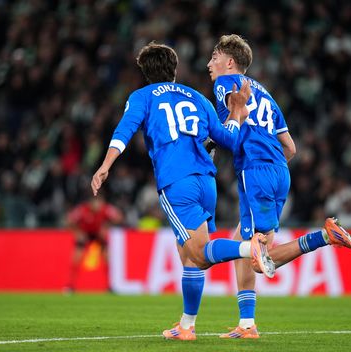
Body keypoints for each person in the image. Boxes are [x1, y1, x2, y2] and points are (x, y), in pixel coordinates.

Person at [90, 42, 274, 341]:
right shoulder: (198, 97)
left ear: (145, 72)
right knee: (187, 256)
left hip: (177, 182)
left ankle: (247, 248)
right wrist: (237, 113)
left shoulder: (142, 96)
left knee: (199, 255)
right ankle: (186, 327)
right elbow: (228, 139)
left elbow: (123, 130)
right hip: (206, 182)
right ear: (174, 69)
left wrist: (106, 164)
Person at [207, 34, 351, 339]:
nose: (208, 64)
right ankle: (247, 324)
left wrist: (215, 143)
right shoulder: (268, 94)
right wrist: (271, 165)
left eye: (214, 58)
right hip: (279, 171)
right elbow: (290, 147)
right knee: (243, 239)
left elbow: (235, 123)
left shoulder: (226, 83)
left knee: (258, 257)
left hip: (255, 171)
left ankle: (324, 236)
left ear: (229, 62)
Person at [65, 192, 123, 293]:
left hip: (98, 235)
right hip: (85, 234)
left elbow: (119, 218)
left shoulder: (106, 209)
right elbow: (69, 221)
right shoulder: (82, 210)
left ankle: (110, 286)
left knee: (107, 260)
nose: (98, 205)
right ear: (91, 203)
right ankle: (70, 286)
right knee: (76, 260)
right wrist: (78, 233)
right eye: (96, 202)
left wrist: (106, 227)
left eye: (100, 202)